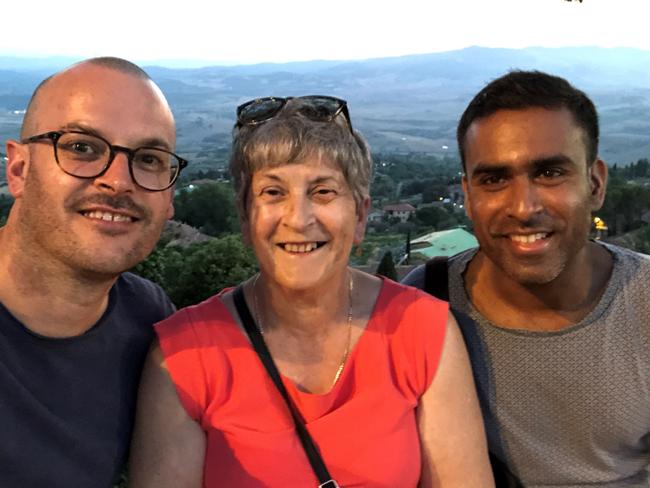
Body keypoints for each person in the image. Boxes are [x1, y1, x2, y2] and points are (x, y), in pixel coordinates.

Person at [130, 96, 494, 487]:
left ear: (360, 217)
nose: (299, 219)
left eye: (323, 192)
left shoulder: (424, 332)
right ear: (245, 218)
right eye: (273, 193)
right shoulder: (184, 356)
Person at [403, 70, 650, 486]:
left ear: (595, 183)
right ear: (467, 196)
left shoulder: (643, 304)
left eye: (550, 173)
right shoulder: (424, 306)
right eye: (494, 179)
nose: (522, 206)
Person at [0, 57, 186, 487]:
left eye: (149, 158)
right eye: (82, 147)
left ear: (170, 198)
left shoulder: (149, 320)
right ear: (19, 169)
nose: (119, 181)